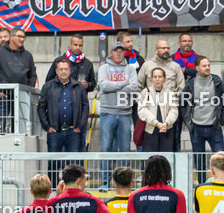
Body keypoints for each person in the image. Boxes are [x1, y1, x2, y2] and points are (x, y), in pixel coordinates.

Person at [38, 59, 90, 181]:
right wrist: (47, 127)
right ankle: (54, 192)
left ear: (70, 70)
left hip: (73, 132)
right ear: (56, 71)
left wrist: (79, 126)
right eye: (61, 69)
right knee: (53, 164)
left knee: (74, 165)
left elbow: (85, 108)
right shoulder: (47, 87)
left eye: (66, 69)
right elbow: (41, 108)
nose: (63, 71)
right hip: (55, 132)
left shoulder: (78, 87)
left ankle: (74, 190)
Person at [181, 56, 224, 184]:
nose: (207, 68)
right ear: (197, 68)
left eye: (208, 65)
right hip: (196, 128)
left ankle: (221, 182)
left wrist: (222, 120)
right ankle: (202, 185)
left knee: (221, 158)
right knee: (200, 160)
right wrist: (189, 122)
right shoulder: (191, 84)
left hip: (214, 127)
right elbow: (183, 104)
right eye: (204, 66)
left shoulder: (217, 82)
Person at [0, 27, 37, 134]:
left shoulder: (27, 55)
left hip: (21, 95)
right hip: (3, 96)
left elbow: (32, 75)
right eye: (19, 36)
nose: (22, 39)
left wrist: (27, 90)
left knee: (21, 127)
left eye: (24, 37)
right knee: (0, 126)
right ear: (11, 37)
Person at [98, 42, 138, 171]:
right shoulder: (103, 68)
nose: (119, 53)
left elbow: (133, 88)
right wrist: (123, 83)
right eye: (116, 51)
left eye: (121, 51)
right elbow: (104, 86)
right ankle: (105, 182)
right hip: (107, 112)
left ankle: (123, 179)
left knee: (125, 148)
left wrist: (113, 85)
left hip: (125, 113)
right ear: (111, 52)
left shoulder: (130, 68)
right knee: (105, 148)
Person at [138, 67, 179, 152]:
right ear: (151, 79)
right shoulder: (145, 92)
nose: (157, 79)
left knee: (166, 158)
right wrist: (155, 123)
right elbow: (142, 110)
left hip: (166, 129)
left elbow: (174, 110)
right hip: (150, 130)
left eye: (160, 77)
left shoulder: (170, 93)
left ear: (164, 79)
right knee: (150, 158)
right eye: (155, 77)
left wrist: (166, 123)